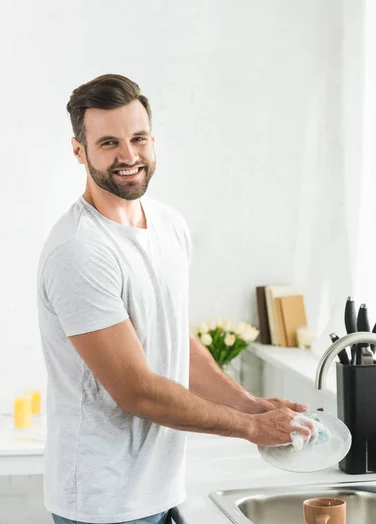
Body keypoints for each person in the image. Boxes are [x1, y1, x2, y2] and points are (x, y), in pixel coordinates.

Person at [37, 74, 313, 524]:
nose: (129, 156)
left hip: (160, 490)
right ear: (78, 151)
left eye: (138, 138)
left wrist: (250, 404)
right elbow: (136, 392)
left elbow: (176, 345)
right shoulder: (79, 250)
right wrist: (251, 428)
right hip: (102, 504)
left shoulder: (169, 226)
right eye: (109, 143)